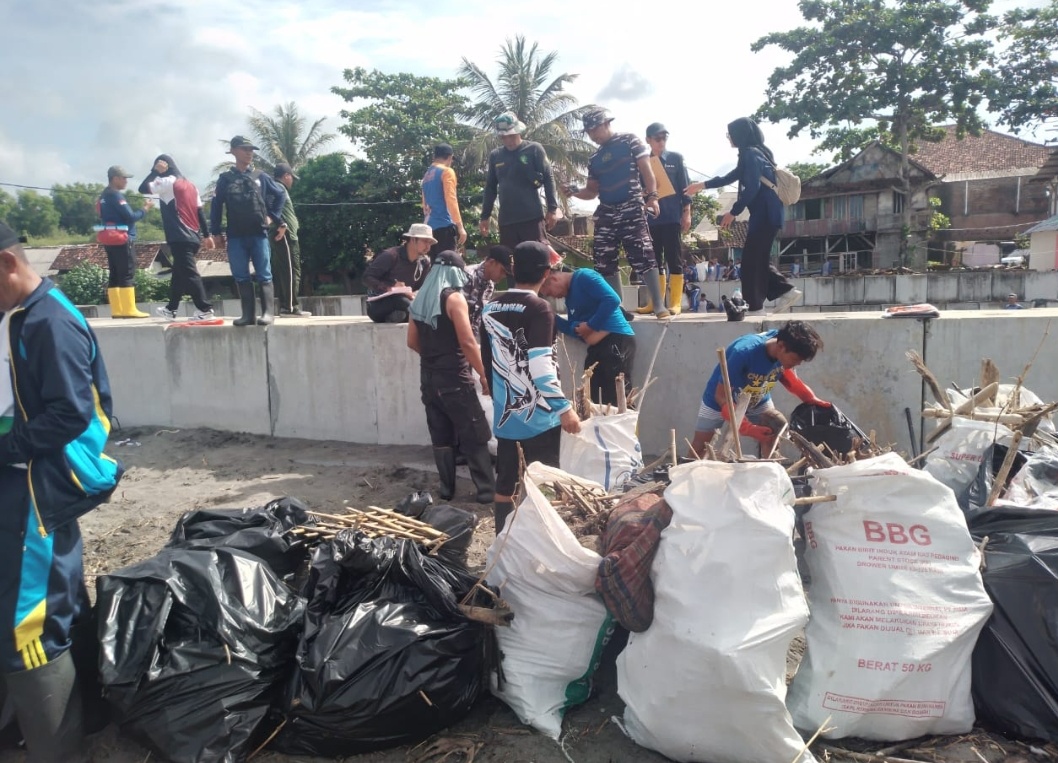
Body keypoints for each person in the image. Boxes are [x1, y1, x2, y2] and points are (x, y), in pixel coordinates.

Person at [0, 220, 122, 762]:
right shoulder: (23, 315)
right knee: (61, 592)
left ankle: (57, 744)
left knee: (30, 614)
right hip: (31, 470)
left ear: (6, 264)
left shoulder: (48, 323)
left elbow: (71, 414)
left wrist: (7, 446)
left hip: (44, 479)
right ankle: (88, 714)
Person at [481, 241, 581, 532]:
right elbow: (540, 366)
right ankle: (542, 544)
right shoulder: (540, 309)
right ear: (547, 272)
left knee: (506, 484)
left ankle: (504, 542)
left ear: (512, 270)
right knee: (545, 483)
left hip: (507, 416)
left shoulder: (490, 308)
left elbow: (488, 363)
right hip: (540, 417)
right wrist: (564, 408)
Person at [686, 117, 801, 316]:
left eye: (730, 134)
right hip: (769, 213)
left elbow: (752, 188)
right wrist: (703, 185)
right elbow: (731, 176)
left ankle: (758, 305)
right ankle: (782, 292)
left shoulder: (750, 154)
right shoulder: (758, 152)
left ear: (740, 135)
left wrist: (733, 212)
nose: (729, 138)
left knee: (750, 261)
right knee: (756, 258)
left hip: (764, 213)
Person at [564, 108, 669, 320]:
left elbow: (647, 171)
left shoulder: (629, 141)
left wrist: (653, 196)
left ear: (606, 124)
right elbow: (592, 191)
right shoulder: (595, 158)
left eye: (595, 129)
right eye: (589, 132)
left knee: (643, 253)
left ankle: (658, 305)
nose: (593, 135)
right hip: (607, 210)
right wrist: (574, 191)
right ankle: (618, 308)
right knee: (603, 259)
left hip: (631, 204)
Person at [407, 251, 495, 504]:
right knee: (474, 430)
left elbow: (412, 341)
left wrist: (435, 357)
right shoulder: (454, 299)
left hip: (428, 376)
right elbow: (468, 342)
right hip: (455, 378)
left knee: (441, 435)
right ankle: (487, 490)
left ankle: (447, 490)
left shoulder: (418, 298)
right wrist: (484, 374)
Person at [688, 320, 828, 458]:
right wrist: (747, 428)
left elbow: (787, 377)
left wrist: (810, 399)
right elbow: (721, 396)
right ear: (781, 346)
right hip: (720, 400)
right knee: (700, 448)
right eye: (796, 359)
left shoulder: (783, 347)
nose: (797, 364)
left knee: (773, 431)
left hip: (757, 398)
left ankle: (768, 471)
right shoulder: (743, 352)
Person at [210, 136, 287, 327]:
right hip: (236, 235)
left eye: (251, 149)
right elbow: (216, 206)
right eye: (245, 149)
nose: (249, 152)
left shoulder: (261, 176)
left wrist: (273, 217)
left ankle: (268, 313)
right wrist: (216, 232)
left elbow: (280, 195)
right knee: (240, 275)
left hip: (258, 233)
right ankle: (248, 315)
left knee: (264, 273)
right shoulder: (225, 179)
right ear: (234, 151)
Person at [539, 266, 635, 406]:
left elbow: (612, 299)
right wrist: (550, 316)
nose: (553, 297)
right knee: (595, 398)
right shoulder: (569, 299)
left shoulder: (584, 276)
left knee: (619, 397)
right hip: (596, 348)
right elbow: (576, 330)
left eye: (550, 292)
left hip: (616, 341)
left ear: (554, 279)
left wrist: (591, 325)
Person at [137, 154, 216, 321]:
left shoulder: (167, 182)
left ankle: (205, 309)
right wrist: (207, 235)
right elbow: (199, 211)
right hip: (193, 236)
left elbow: (143, 188)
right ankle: (171, 309)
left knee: (189, 273)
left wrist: (154, 171)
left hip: (178, 236)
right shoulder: (191, 185)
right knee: (179, 274)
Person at [479, 112, 561, 247]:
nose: (508, 140)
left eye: (511, 136)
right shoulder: (496, 155)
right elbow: (490, 188)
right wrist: (484, 216)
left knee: (537, 258)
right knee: (510, 263)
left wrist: (552, 209)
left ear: (518, 131)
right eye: (503, 137)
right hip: (506, 221)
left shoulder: (534, 149)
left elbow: (548, 178)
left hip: (531, 218)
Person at [641, 122, 692, 315]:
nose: (661, 142)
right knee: (653, 260)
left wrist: (687, 212)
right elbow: (640, 188)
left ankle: (676, 302)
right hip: (651, 218)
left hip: (672, 216)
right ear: (648, 140)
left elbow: (685, 187)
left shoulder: (676, 159)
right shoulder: (643, 161)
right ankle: (656, 301)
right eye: (657, 138)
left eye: (664, 138)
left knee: (674, 258)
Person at [98, 165, 152, 318]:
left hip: (108, 238)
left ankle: (117, 310)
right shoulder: (116, 196)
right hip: (122, 238)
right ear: (115, 178)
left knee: (114, 273)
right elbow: (130, 217)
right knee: (127, 273)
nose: (126, 181)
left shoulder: (103, 196)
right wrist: (145, 209)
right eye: (124, 178)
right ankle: (129, 309)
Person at [363, 223, 435, 323]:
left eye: (430, 243)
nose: (428, 247)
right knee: (400, 300)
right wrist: (390, 287)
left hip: (408, 302)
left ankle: (400, 315)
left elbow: (421, 288)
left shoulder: (424, 263)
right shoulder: (390, 255)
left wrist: (416, 293)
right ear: (413, 240)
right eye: (425, 242)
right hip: (378, 305)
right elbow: (367, 277)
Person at [269, 163, 310, 317]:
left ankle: (288, 305)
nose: (292, 180)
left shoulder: (279, 188)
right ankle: (290, 307)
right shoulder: (278, 188)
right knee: (291, 270)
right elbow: (270, 207)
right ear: (286, 175)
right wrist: (281, 224)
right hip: (284, 235)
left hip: (287, 235)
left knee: (288, 270)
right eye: (292, 177)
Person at [422, 144, 467, 255]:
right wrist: (460, 227)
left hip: (429, 229)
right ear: (450, 157)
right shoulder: (447, 171)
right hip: (444, 226)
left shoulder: (426, 176)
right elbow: (451, 199)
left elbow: (424, 206)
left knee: (434, 266)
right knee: (447, 265)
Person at [464, 244, 512, 337]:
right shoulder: (468, 276)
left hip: (473, 336)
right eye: (503, 271)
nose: (504, 276)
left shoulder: (490, 284)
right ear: (491, 262)